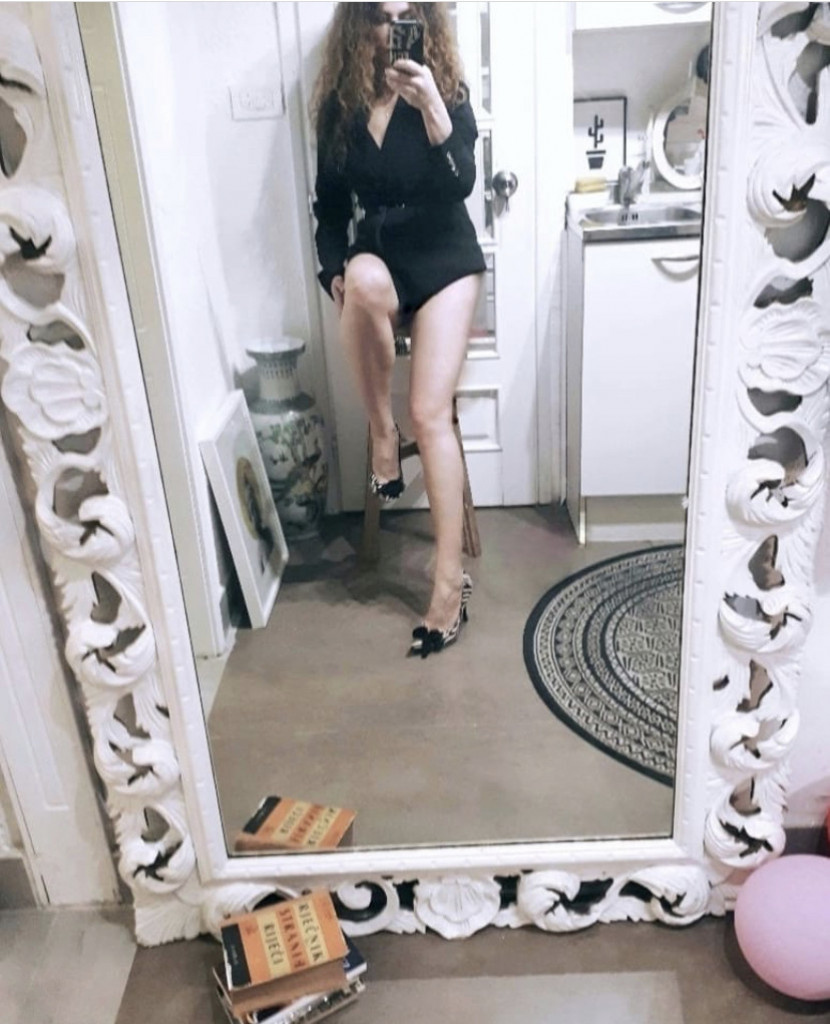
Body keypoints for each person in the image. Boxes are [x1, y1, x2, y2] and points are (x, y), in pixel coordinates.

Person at [311, 2, 484, 658]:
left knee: (431, 412)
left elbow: (462, 181)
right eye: (379, 17)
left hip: (445, 256)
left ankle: (447, 584)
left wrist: (434, 107)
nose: (392, 31)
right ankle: (382, 433)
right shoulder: (341, 104)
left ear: (424, 22)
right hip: (382, 253)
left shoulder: (446, 89)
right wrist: (332, 268)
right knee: (358, 281)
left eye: (405, 15)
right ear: (358, 24)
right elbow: (330, 208)